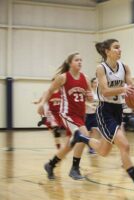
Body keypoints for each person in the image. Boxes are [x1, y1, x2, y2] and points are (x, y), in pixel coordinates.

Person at [70, 39, 134, 196]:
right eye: (116, 47)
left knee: (103, 151)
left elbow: (132, 86)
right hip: (104, 110)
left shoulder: (124, 67)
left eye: (120, 47)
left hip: (118, 110)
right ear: (107, 51)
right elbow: (106, 91)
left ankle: (81, 137)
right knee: (125, 145)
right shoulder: (101, 68)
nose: (119, 50)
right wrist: (123, 89)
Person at [37, 52, 93, 180]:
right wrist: (41, 103)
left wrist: (90, 97)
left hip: (80, 115)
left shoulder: (85, 78)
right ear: (70, 63)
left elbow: (89, 97)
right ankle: (74, 169)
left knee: (70, 145)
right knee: (84, 135)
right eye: (76, 60)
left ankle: (50, 165)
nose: (80, 62)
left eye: (81, 60)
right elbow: (49, 91)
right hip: (67, 114)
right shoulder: (63, 77)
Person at [34, 85, 62, 149]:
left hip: (59, 113)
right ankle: (58, 147)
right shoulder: (48, 92)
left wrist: (58, 100)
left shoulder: (62, 92)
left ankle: (45, 121)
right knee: (56, 130)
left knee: (55, 129)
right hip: (51, 113)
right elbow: (42, 98)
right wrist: (38, 102)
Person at [85, 77, 101, 154]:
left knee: (95, 131)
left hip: (95, 115)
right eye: (94, 82)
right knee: (88, 132)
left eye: (97, 82)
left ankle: (92, 147)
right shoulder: (88, 91)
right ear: (91, 83)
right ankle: (89, 145)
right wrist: (91, 106)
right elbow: (84, 102)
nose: (96, 84)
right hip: (87, 115)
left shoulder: (98, 93)